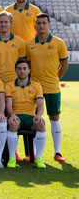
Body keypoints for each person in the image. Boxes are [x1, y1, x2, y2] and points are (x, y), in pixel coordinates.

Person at [26, 13, 68, 162]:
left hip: (52, 87)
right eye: (39, 23)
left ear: (49, 25)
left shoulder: (59, 43)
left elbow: (64, 65)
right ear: (35, 26)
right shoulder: (29, 44)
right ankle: (35, 153)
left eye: (44, 23)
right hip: (35, 88)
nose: (41, 25)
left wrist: (55, 77)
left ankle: (57, 152)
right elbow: (28, 66)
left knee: (54, 117)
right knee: (35, 119)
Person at [5, 58, 47, 169]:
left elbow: (40, 105)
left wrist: (39, 115)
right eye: (19, 69)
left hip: (30, 118)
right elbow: (8, 105)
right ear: (15, 70)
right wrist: (12, 115)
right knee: (13, 124)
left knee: (41, 124)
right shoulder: (9, 86)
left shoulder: (36, 86)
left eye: (24, 68)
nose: (22, 71)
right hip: (17, 116)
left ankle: (39, 158)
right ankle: (12, 158)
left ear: (29, 70)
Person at [0, 11, 26, 84]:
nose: (3, 24)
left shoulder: (20, 42)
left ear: (11, 24)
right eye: (1, 22)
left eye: (6, 22)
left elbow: (22, 63)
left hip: (14, 81)